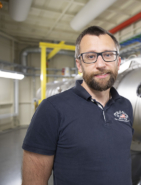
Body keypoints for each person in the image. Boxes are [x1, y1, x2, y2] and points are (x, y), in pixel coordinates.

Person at [22, 26, 134, 185]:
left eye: (108, 55)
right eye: (90, 56)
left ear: (118, 61)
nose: (100, 64)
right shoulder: (52, 109)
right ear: (79, 65)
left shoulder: (126, 106)